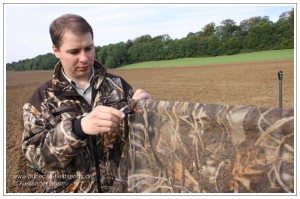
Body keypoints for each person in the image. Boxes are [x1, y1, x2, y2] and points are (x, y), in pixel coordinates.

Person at [22, 14, 151, 193]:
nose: (84, 58)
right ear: (56, 50)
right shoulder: (41, 100)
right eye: (74, 51)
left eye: (89, 48)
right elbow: (37, 157)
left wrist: (145, 110)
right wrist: (77, 128)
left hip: (120, 189)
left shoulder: (119, 86)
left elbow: (141, 139)